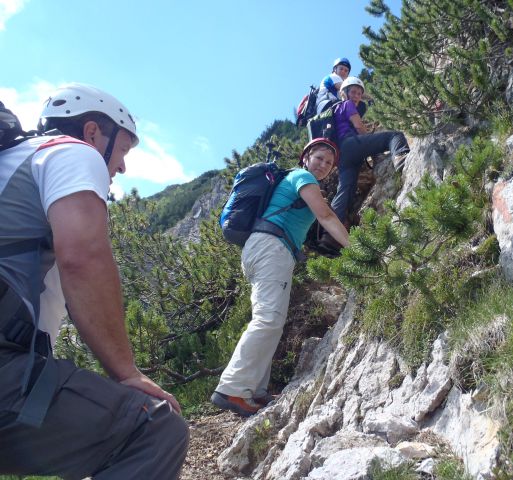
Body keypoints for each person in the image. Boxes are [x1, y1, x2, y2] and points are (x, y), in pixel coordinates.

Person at [0, 84, 189, 479]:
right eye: (122, 150)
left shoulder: (13, 163)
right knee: (154, 428)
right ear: (91, 133)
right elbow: (83, 258)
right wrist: (126, 373)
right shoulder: (69, 152)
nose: (121, 167)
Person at [212, 138, 349, 417]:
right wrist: (357, 249)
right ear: (306, 157)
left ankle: (256, 390)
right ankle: (233, 389)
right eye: (319, 158)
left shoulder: (294, 180)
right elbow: (325, 215)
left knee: (271, 318)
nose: (323, 165)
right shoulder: (302, 176)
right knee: (269, 318)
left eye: (329, 162)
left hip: (266, 248)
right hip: (271, 247)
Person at [318, 77, 410, 252]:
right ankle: (401, 159)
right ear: (344, 93)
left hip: (341, 155)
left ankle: (330, 236)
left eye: (359, 93)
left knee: (345, 189)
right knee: (395, 136)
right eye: (353, 92)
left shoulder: (335, 110)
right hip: (351, 144)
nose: (356, 96)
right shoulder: (347, 105)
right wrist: (371, 145)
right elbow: (359, 127)